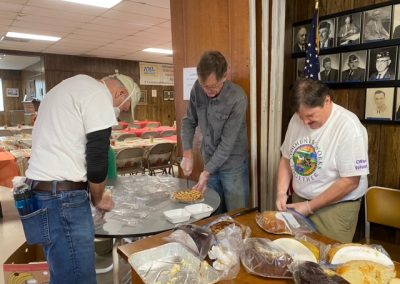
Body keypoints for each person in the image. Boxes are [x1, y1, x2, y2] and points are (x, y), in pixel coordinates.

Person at [24, 73, 134, 283]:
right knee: (78, 276)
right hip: (62, 199)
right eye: (123, 108)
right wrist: (98, 198)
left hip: (41, 193)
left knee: (62, 271)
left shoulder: (69, 86)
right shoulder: (98, 94)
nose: (119, 115)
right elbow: (97, 159)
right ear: (120, 93)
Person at [275, 79, 369, 243]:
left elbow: (351, 181)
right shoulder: (297, 120)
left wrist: (310, 206)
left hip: (336, 208)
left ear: (327, 101)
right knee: (300, 252)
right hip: (301, 201)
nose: (305, 122)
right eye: (301, 116)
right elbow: (286, 158)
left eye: (310, 116)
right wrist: (281, 193)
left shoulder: (348, 126)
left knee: (328, 258)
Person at [180, 50, 249, 212]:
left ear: (224, 76)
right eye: (204, 86)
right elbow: (189, 121)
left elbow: (226, 144)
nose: (207, 92)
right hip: (209, 159)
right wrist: (187, 153)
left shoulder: (237, 98)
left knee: (236, 214)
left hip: (233, 165)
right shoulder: (197, 88)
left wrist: (206, 172)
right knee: (212, 212)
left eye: (212, 87)